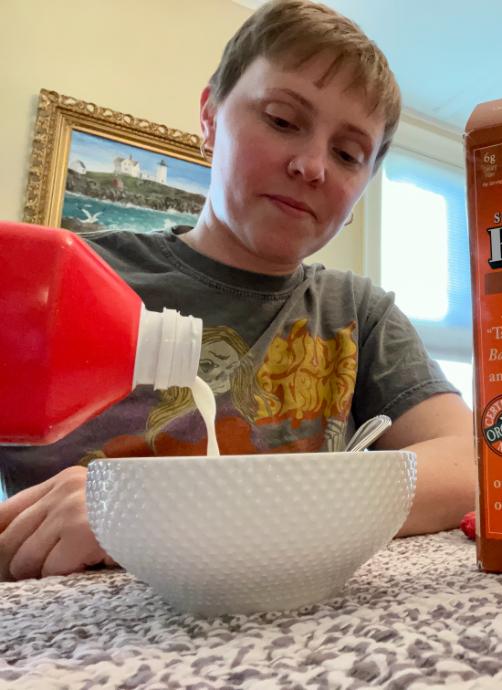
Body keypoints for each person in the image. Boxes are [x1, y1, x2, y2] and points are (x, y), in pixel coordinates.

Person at [0, 0, 476, 581]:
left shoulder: (357, 314)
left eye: (348, 154)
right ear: (209, 117)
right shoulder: (59, 282)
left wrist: (159, 513)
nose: (311, 165)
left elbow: (467, 462)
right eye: (281, 119)